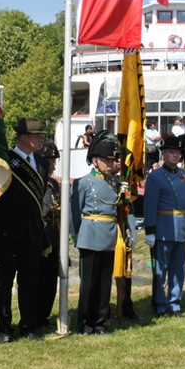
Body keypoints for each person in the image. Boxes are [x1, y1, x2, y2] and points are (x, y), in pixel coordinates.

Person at [0, 118, 47, 343]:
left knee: (29, 281)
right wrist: (3, 226)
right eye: (36, 135)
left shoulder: (41, 162)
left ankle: (28, 325)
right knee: (4, 283)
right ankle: (4, 328)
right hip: (6, 233)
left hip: (32, 233)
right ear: (23, 137)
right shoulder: (4, 160)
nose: (41, 139)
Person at [71, 131, 122, 334]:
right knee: (89, 283)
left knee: (103, 282)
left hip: (108, 235)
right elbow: (75, 211)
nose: (110, 163)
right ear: (95, 161)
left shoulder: (115, 184)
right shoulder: (83, 183)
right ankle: (86, 322)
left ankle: (100, 321)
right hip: (89, 235)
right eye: (106, 160)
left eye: (112, 159)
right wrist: (76, 236)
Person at [143, 133, 185, 317]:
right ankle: (160, 306)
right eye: (171, 152)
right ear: (163, 154)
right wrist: (150, 230)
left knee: (178, 270)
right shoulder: (156, 176)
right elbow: (150, 205)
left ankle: (174, 304)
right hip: (163, 228)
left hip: (181, 228)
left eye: (178, 152)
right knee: (161, 270)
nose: (176, 155)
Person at [34, 140, 62, 331]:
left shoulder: (54, 184)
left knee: (51, 279)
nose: (53, 165)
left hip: (53, 233)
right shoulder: (36, 182)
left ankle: (44, 316)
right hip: (38, 233)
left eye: (54, 162)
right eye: (50, 162)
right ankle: (33, 316)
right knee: (37, 278)